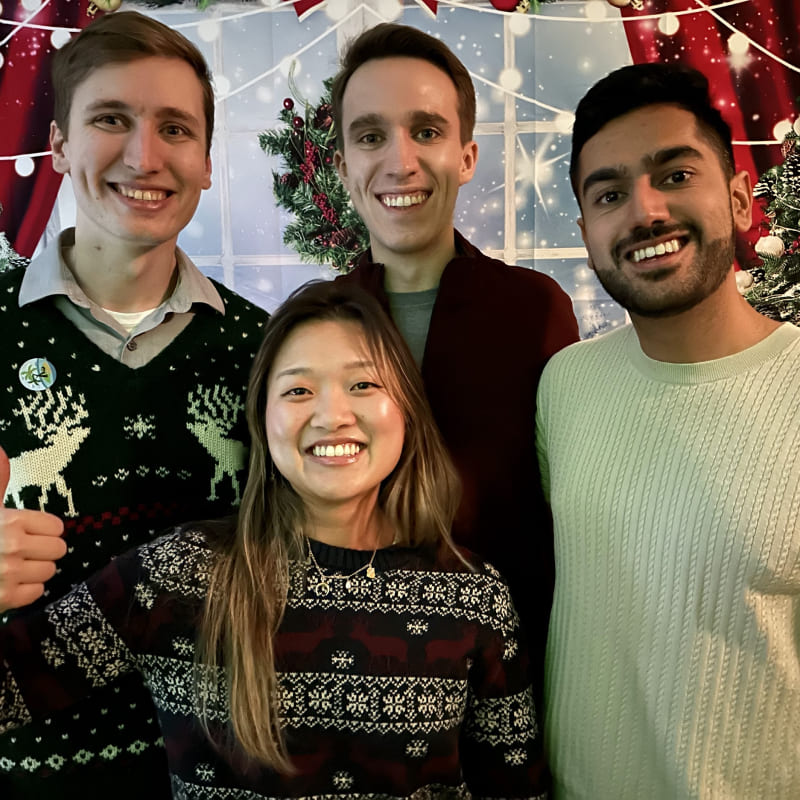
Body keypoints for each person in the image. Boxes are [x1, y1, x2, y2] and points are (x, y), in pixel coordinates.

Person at [0, 280, 548, 798]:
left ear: (405, 407)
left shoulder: (474, 596)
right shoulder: (178, 575)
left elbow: (516, 787)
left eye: (363, 383)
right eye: (299, 390)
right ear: (262, 419)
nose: (332, 416)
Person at [0, 12, 268, 798]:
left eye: (175, 128)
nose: (144, 156)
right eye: (111, 119)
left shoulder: (265, 352)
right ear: (59, 145)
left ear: (207, 162)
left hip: (222, 776)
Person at [537, 62, 800, 799]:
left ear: (743, 198)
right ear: (588, 231)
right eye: (610, 194)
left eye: (675, 175)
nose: (645, 212)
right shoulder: (566, 386)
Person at [332, 23, 580, 699]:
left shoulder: (534, 311)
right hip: (346, 680)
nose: (400, 161)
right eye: (371, 135)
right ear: (344, 163)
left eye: (427, 131)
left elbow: (568, 512)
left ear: (467, 156)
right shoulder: (314, 325)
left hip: (506, 684)